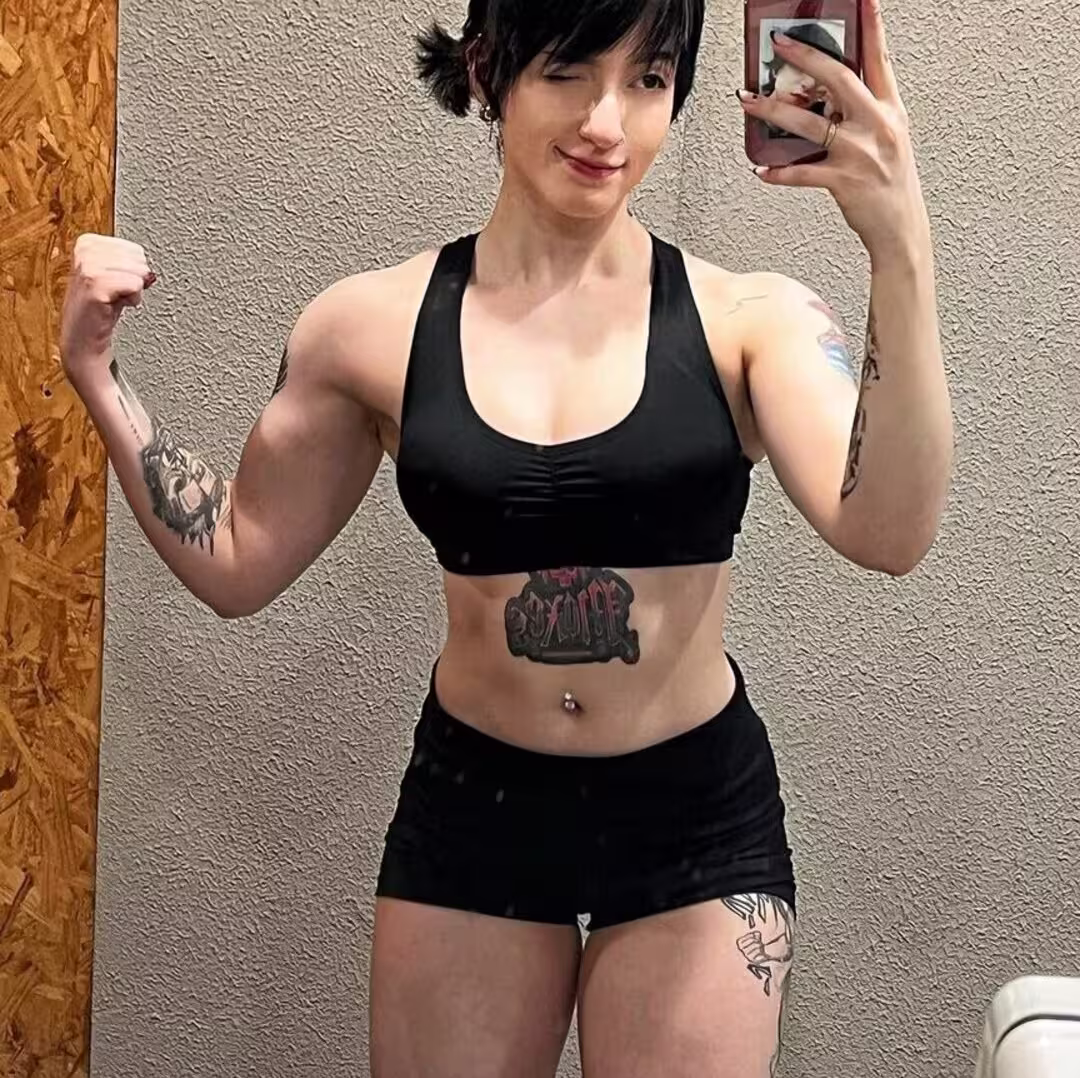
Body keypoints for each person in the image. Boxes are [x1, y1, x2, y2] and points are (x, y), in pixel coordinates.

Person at [58, 0, 953, 1074]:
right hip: (474, 812)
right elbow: (240, 559)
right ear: (487, 70)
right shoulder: (368, 327)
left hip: (692, 818)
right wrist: (100, 377)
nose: (608, 124)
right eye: (570, 72)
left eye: (648, 79)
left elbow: (889, 531)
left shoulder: (750, 321)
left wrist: (899, 247)